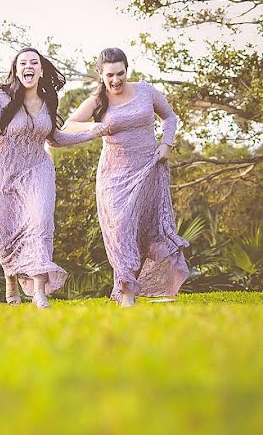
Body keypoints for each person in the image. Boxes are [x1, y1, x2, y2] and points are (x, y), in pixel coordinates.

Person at [0, 48, 109, 308]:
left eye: (34, 63)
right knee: (9, 233)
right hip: (4, 172)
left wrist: (92, 133)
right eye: (23, 63)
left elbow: (55, 138)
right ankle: (11, 278)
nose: (28, 67)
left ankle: (39, 291)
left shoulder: (48, 100)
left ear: (41, 70)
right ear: (16, 70)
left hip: (38, 168)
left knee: (40, 223)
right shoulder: (0, 100)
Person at [63, 48, 189, 306]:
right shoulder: (97, 102)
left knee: (144, 230)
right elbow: (68, 126)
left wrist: (166, 144)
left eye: (121, 73)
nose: (116, 80)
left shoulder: (145, 90)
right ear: (101, 74)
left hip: (148, 170)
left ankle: (139, 286)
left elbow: (170, 117)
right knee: (120, 229)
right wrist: (94, 127)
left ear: (127, 70)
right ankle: (126, 293)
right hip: (114, 176)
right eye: (110, 75)